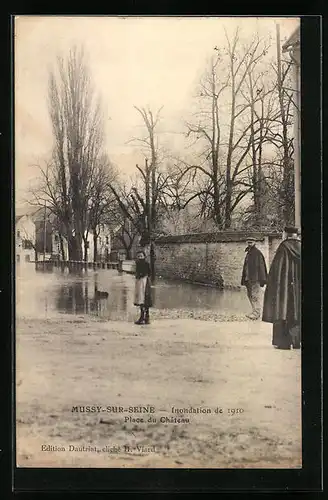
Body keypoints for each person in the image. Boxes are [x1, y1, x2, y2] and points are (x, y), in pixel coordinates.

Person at [262, 226, 301, 350]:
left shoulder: (283, 247)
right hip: (298, 288)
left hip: (284, 289)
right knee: (297, 311)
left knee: (283, 311)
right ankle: (296, 342)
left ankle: (284, 343)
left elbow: (276, 270)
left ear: (286, 234)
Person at [241, 237, 268, 320]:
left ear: (254, 243)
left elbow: (262, 267)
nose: (249, 244)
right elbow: (246, 267)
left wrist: (263, 280)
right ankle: (254, 311)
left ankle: (257, 313)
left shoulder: (257, 253)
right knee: (249, 295)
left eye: (251, 242)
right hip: (248, 278)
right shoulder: (248, 252)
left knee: (255, 295)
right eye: (248, 242)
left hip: (255, 278)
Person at [134, 249, 153, 325]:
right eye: (138, 256)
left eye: (141, 256)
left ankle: (146, 317)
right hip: (139, 282)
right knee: (140, 299)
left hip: (144, 282)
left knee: (145, 299)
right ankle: (142, 317)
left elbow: (149, 272)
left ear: (144, 256)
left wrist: (143, 275)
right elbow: (136, 272)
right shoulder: (137, 264)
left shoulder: (146, 264)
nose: (140, 257)